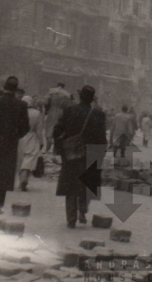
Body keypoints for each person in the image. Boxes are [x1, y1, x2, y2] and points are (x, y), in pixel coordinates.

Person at [53, 85, 107, 228]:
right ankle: (82, 211)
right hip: (90, 155)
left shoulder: (69, 111)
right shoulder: (99, 114)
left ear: (80, 96)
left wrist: (62, 148)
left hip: (71, 154)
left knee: (71, 185)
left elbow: (57, 131)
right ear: (92, 99)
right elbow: (102, 139)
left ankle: (71, 219)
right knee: (86, 184)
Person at [0, 76, 29, 214]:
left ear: (4, 87)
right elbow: (25, 127)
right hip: (10, 144)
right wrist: (14, 136)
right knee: (5, 173)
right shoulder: (21, 105)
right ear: (15, 90)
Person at [18, 95, 44, 191]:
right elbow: (39, 130)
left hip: (20, 137)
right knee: (29, 157)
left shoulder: (18, 112)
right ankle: (25, 177)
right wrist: (41, 142)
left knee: (20, 158)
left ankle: (21, 177)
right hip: (31, 136)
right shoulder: (37, 113)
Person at [45, 83, 72, 152]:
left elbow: (46, 102)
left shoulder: (51, 91)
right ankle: (55, 149)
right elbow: (68, 107)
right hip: (61, 112)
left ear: (57, 86)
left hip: (52, 110)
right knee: (58, 129)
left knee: (50, 127)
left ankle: (48, 146)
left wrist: (47, 110)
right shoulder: (67, 95)